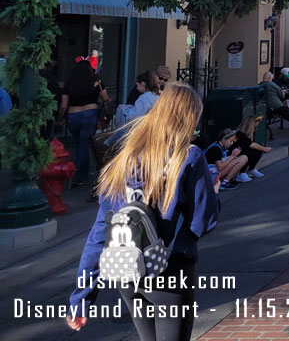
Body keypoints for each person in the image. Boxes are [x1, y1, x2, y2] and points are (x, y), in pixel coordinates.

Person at [68, 84, 219, 340]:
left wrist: (82, 299)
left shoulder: (122, 161)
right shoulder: (189, 157)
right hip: (169, 270)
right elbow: (201, 223)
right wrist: (213, 195)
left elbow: (99, 234)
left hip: (128, 272)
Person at [59, 59, 109, 187]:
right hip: (90, 114)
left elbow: (64, 105)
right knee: (84, 145)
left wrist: (61, 117)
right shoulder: (97, 82)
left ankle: (78, 173)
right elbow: (105, 99)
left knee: (78, 144)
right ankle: (80, 175)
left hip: (73, 115)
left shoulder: (69, 84)